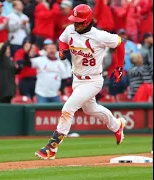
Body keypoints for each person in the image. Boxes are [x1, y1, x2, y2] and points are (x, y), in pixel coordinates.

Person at [35, 4, 127, 160]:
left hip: (93, 81)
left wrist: (119, 67)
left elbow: (120, 42)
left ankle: (52, 147)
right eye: (74, 20)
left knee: (68, 109)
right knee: (90, 109)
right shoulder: (70, 29)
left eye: (78, 21)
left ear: (87, 21)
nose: (74, 23)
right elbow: (62, 40)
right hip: (77, 79)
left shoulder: (99, 35)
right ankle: (117, 125)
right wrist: (62, 50)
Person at [25, 39, 67, 103]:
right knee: (41, 112)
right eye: (49, 48)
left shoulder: (61, 63)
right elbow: (28, 63)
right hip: (41, 94)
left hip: (55, 94)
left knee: (57, 112)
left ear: (56, 50)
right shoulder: (40, 60)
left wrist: (61, 90)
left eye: (53, 48)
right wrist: (27, 52)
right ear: (46, 50)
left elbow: (64, 79)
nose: (51, 50)